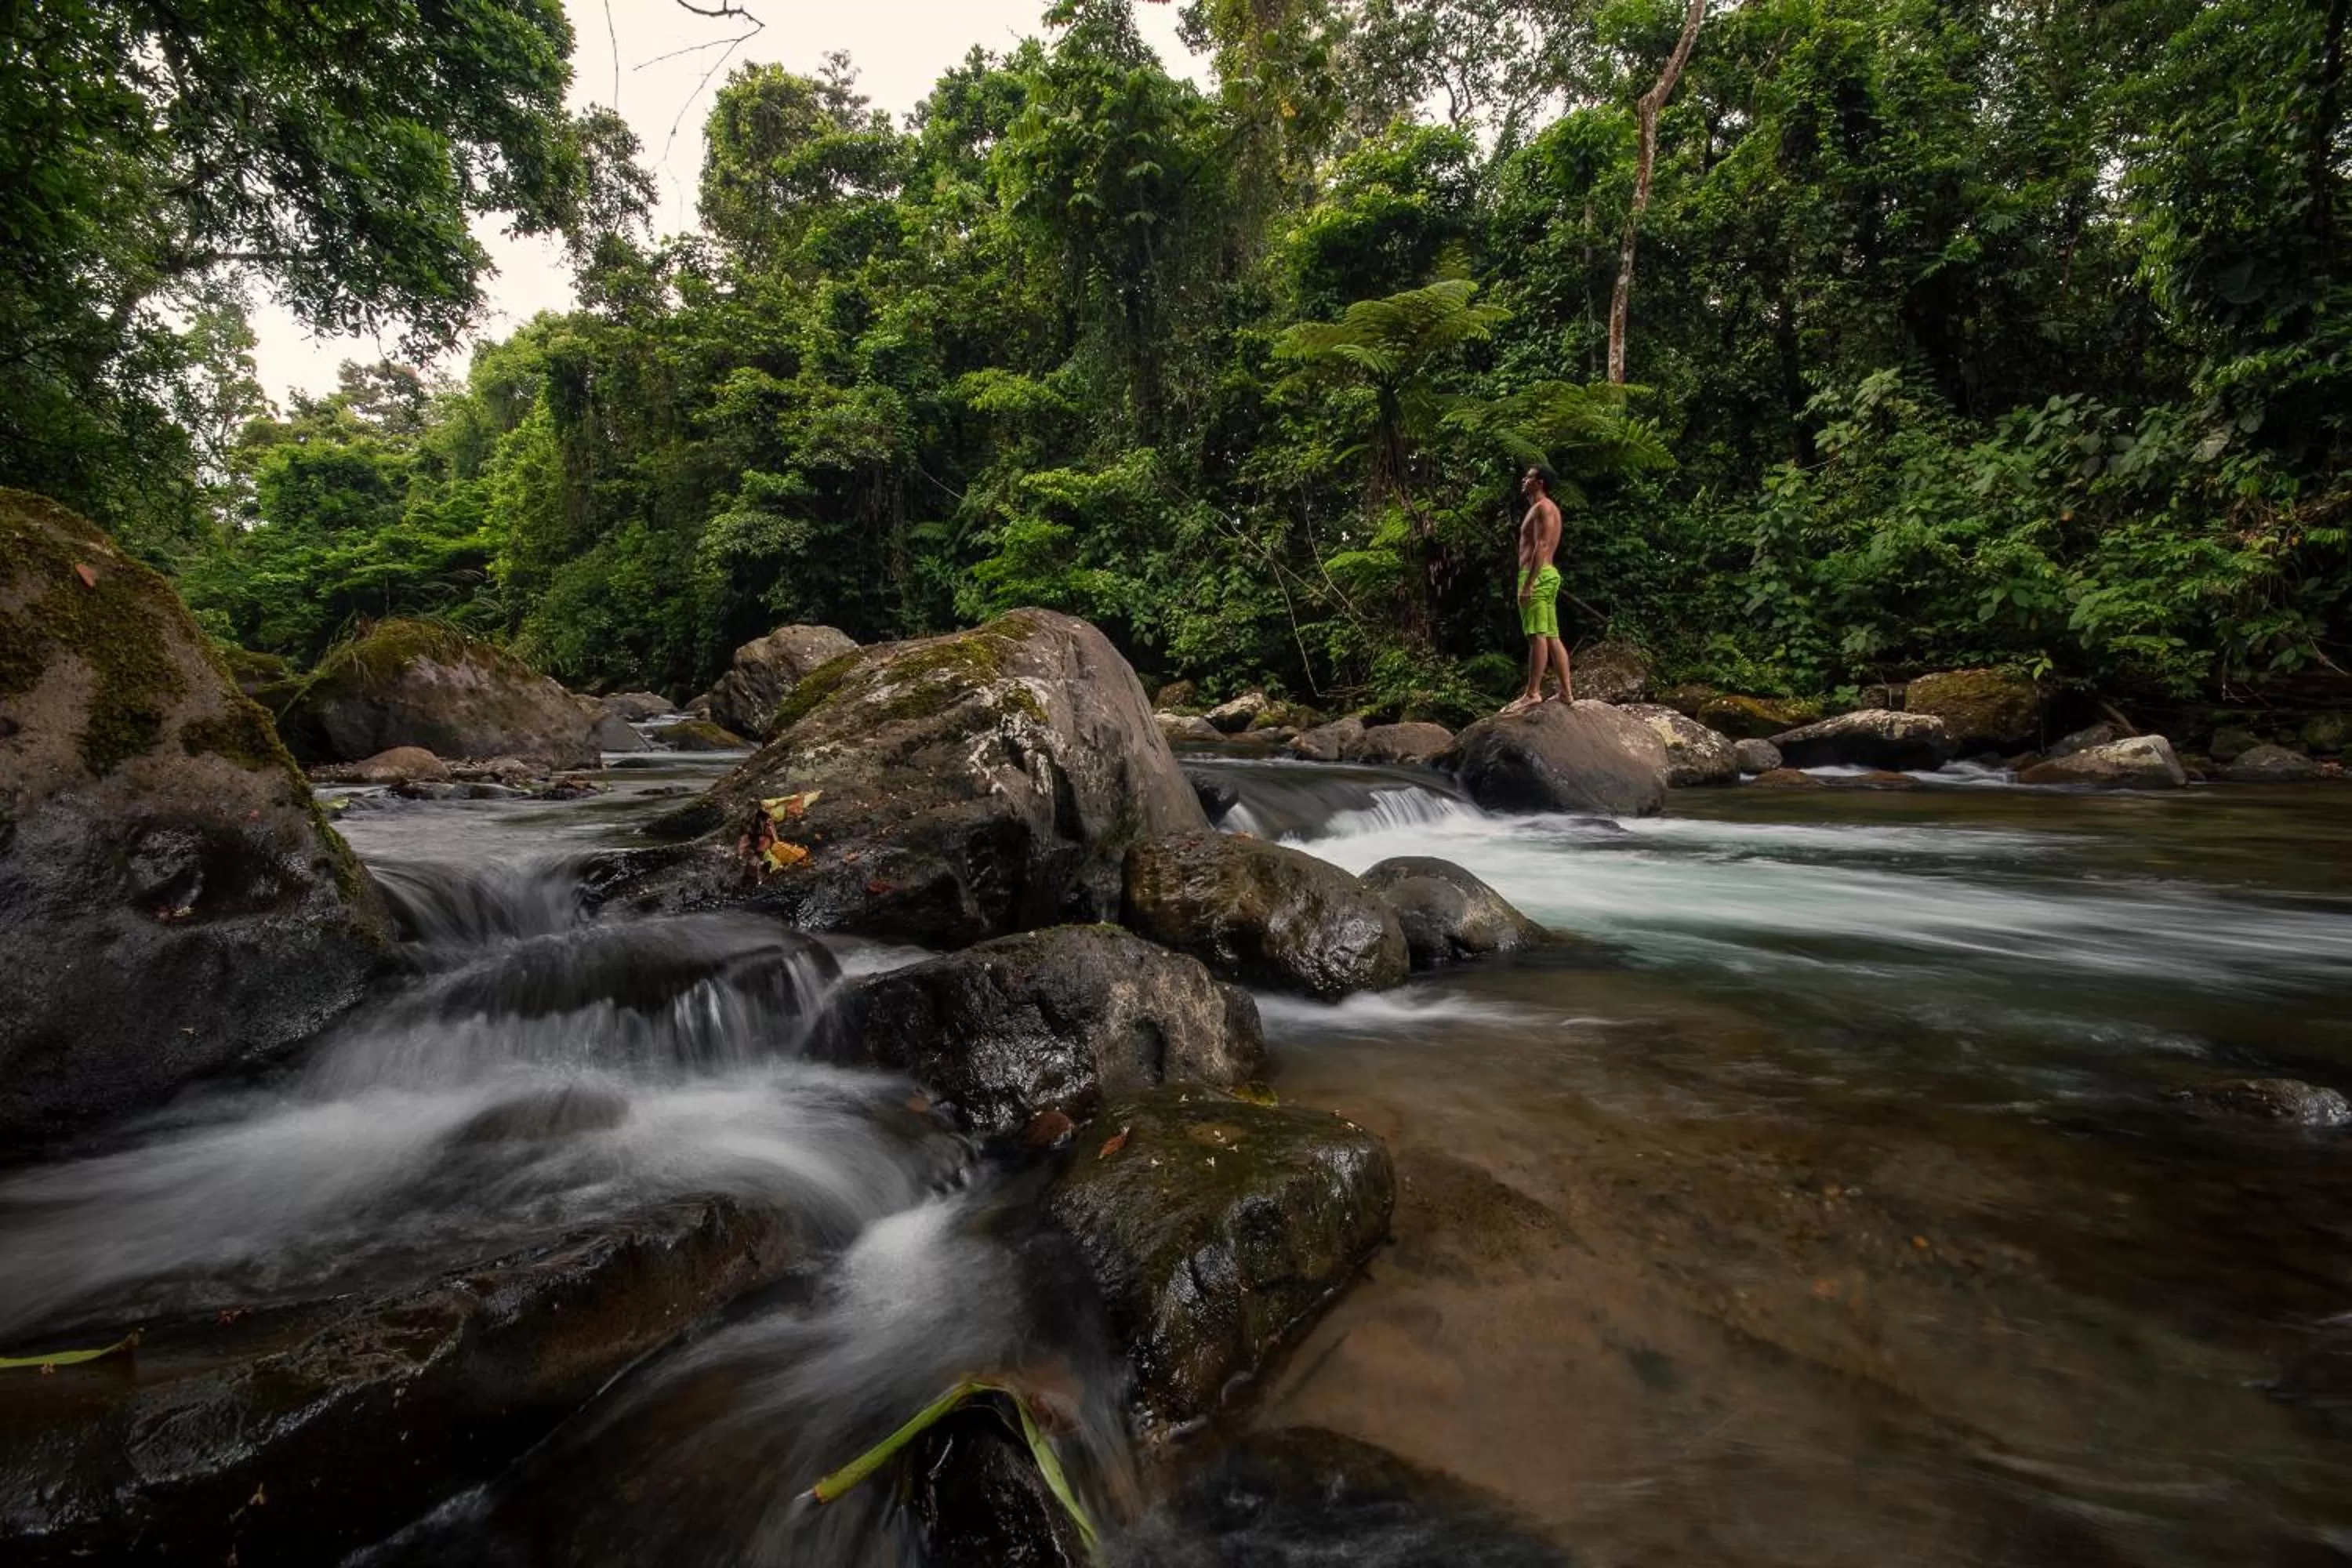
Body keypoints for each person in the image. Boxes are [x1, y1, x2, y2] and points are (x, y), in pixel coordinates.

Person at [1503, 463, 1572, 714]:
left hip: (1538, 576)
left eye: (1529, 477)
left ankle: (1532, 694)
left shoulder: (1543, 508)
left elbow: (1542, 547)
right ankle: (1566, 692)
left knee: (1536, 635)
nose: (1524, 479)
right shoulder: (1548, 508)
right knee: (1552, 635)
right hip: (1548, 574)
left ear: (1540, 482)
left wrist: (1529, 583)